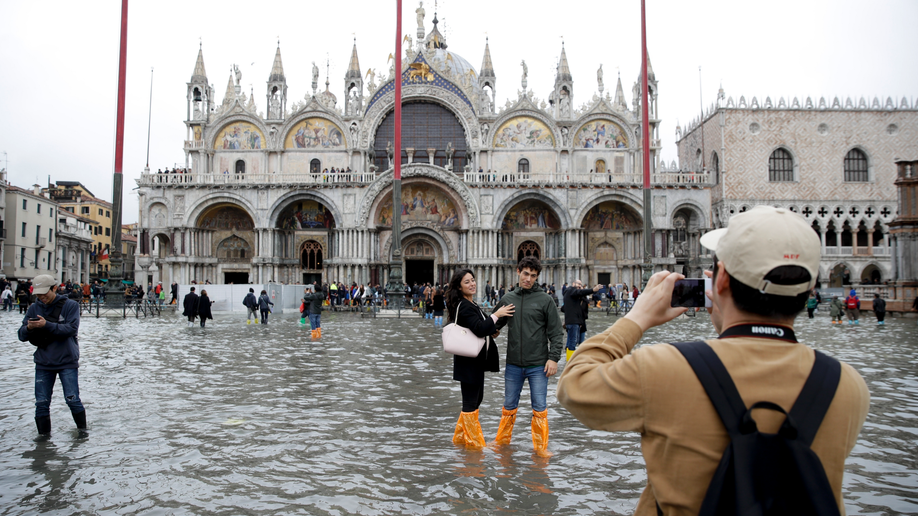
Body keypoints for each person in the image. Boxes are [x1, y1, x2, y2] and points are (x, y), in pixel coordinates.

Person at [557, 206, 870, 515]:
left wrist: (637, 316)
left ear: (717, 282)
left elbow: (575, 385)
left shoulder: (665, 368)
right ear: (810, 290)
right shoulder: (848, 386)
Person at [491, 256, 564, 456]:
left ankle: (541, 448)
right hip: (514, 364)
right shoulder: (508, 299)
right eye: (525, 274)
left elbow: (556, 332)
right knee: (508, 405)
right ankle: (502, 443)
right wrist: (493, 330)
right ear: (518, 272)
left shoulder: (545, 300)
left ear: (537, 277)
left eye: (533, 275)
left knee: (539, 407)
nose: (528, 279)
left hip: (538, 365)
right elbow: (493, 323)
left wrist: (553, 358)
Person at [448, 269, 515, 449]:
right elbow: (478, 328)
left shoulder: (472, 304)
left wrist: (491, 331)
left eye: (473, 280)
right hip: (468, 362)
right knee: (470, 403)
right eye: (467, 282)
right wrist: (497, 314)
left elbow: (481, 328)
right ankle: (475, 447)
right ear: (459, 287)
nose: (472, 284)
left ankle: (460, 441)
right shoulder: (464, 305)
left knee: (476, 400)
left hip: (475, 361)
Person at [18, 275, 86, 435]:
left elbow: (71, 329)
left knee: (72, 399)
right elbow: (21, 335)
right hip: (43, 362)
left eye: (44, 294)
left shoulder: (70, 306)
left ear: (54, 288)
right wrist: (28, 327)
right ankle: (43, 441)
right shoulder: (34, 308)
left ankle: (83, 433)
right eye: (38, 295)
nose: (42, 297)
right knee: (41, 403)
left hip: (67, 360)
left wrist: (46, 325)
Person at [561, 279, 602, 361]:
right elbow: (579, 292)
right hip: (573, 321)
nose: (579, 285)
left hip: (572, 321)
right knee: (573, 342)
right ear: (573, 283)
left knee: (570, 342)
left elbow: (564, 308)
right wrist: (593, 290)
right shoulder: (571, 290)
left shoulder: (571, 294)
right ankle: (570, 361)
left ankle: (568, 359)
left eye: (580, 284)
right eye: (578, 284)